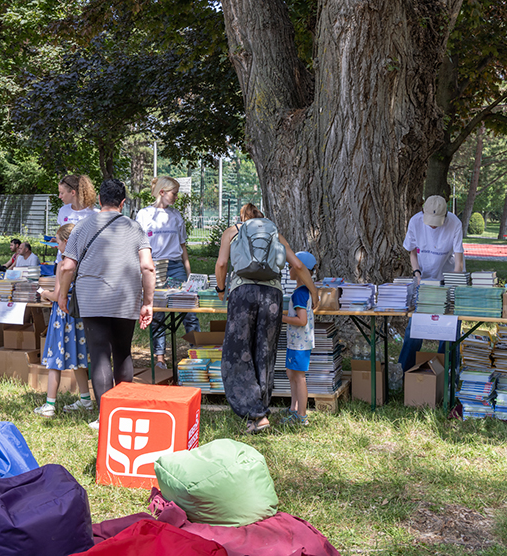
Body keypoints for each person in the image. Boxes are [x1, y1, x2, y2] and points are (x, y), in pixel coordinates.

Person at [56, 178, 154, 428]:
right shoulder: (135, 228)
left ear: (99, 200)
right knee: (123, 353)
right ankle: (125, 411)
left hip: (92, 298)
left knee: (99, 354)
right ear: (123, 202)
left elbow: (68, 266)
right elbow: (147, 266)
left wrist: (61, 295)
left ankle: (105, 416)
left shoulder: (81, 227)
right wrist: (148, 302)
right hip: (126, 297)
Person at [215, 203, 318, 434]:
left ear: (242, 218)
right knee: (265, 352)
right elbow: (298, 265)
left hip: (242, 295)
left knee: (238, 352)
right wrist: (314, 291)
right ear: (262, 220)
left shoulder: (232, 231)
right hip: (272, 296)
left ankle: (256, 415)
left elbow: (221, 263)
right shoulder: (275, 234)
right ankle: (260, 411)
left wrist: (221, 289)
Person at [135, 175, 200, 368]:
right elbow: (138, 246)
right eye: (174, 193)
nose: (176, 197)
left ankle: (195, 354)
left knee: (189, 310)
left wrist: (189, 274)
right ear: (162, 192)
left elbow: (183, 246)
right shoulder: (144, 215)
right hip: (154, 267)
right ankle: (160, 359)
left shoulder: (176, 215)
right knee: (158, 313)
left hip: (175, 266)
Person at [398, 195, 464, 371]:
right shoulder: (415, 222)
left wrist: (452, 286)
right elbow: (412, 253)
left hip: (447, 278)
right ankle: (405, 370)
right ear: (423, 212)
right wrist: (417, 274)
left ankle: (448, 373)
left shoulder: (455, 224)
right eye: (430, 221)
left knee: (450, 328)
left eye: (437, 221)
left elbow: (459, 262)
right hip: (425, 281)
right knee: (415, 327)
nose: (433, 225)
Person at [34, 223, 93, 418]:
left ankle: (50, 404)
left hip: (62, 316)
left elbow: (58, 295)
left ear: (67, 242)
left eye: (58, 242)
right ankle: (85, 399)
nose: (57, 246)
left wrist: (43, 293)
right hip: (79, 315)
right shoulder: (86, 261)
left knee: (54, 358)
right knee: (80, 358)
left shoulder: (63, 265)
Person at [283, 251, 317, 427]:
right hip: (296, 341)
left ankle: (301, 415)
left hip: (299, 343)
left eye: (291, 266)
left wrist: (281, 318)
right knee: (291, 373)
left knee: (299, 377)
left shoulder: (300, 294)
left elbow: (301, 320)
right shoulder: (304, 291)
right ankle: (294, 408)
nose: (289, 269)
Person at [55, 174, 98, 262]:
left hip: (82, 264)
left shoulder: (94, 214)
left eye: (62, 193)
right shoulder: (63, 210)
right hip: (61, 261)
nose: (59, 196)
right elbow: (62, 233)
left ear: (73, 193)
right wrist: (57, 240)